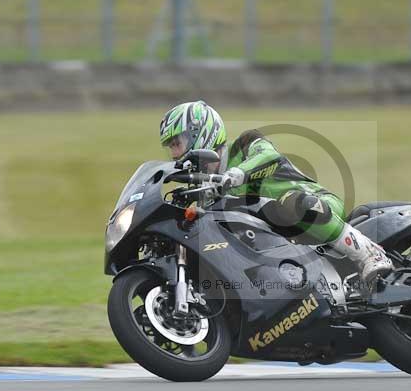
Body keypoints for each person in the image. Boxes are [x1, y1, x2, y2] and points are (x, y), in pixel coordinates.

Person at [159, 100, 393, 285]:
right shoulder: (205, 190)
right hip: (278, 241)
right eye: (170, 147)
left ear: (200, 133)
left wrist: (237, 173)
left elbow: (269, 156)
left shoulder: (245, 143)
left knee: (291, 205)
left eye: (176, 143)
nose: (174, 154)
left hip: (316, 205)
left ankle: (369, 253)